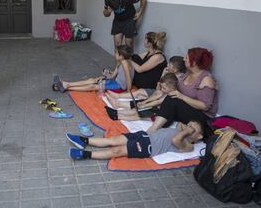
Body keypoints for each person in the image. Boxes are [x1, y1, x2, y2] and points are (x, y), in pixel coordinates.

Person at [147, 47, 217, 133]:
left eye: (186, 58)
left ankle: (152, 131)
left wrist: (181, 96)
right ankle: (151, 123)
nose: (184, 59)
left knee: (172, 100)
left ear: (194, 62)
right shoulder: (187, 74)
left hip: (203, 118)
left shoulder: (206, 79)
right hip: (188, 109)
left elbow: (204, 106)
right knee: (166, 102)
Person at [66, 120, 204, 160]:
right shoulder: (181, 130)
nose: (189, 128)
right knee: (113, 139)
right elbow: (180, 125)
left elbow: (175, 140)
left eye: (193, 129)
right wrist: (187, 127)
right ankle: (84, 141)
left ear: (199, 137)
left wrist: (187, 131)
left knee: (117, 150)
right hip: (143, 135)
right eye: (189, 125)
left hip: (148, 147)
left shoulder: (188, 145)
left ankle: (85, 155)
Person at [53, 45, 133, 92]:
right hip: (114, 82)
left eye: (116, 53)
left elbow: (128, 79)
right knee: (93, 80)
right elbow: (112, 76)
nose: (115, 54)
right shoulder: (120, 62)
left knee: (93, 86)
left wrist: (128, 92)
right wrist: (106, 75)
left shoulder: (125, 64)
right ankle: (67, 84)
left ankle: (68, 87)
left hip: (119, 87)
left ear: (121, 56)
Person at [107, 55, 185, 102]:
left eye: (169, 65)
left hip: (162, 95)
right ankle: (118, 96)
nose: (167, 65)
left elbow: (162, 91)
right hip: (158, 91)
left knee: (141, 96)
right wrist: (163, 74)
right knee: (140, 92)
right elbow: (158, 87)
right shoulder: (168, 73)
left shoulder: (179, 78)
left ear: (175, 69)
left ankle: (120, 98)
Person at [106, 73, 178, 121]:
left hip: (161, 115)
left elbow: (157, 102)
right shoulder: (164, 91)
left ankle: (118, 116)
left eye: (164, 88)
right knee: (137, 109)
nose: (162, 89)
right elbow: (154, 97)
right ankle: (117, 112)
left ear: (171, 88)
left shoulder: (171, 96)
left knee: (138, 114)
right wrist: (144, 102)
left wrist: (144, 105)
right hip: (156, 108)